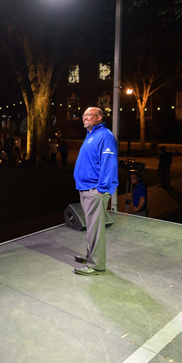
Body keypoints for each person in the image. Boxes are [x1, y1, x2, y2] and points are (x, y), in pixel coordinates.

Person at [73, 107, 118, 276]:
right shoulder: (91, 134)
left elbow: (108, 162)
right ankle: (90, 256)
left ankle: (96, 265)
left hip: (95, 190)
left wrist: (102, 189)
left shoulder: (104, 135)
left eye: (88, 115)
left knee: (96, 228)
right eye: (83, 115)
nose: (84, 118)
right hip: (86, 188)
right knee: (91, 227)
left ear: (99, 117)